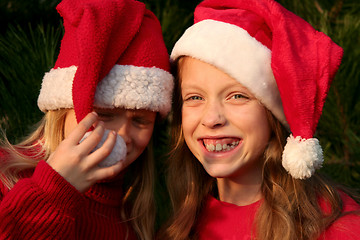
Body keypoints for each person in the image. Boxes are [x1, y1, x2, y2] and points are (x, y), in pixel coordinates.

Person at [158, 0, 360, 239]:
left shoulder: (339, 228)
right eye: (194, 97)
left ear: (272, 113)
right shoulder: (181, 225)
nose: (211, 119)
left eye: (237, 96)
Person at [0, 0, 173, 239]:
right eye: (104, 114)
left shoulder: (135, 215)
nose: (122, 135)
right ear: (62, 109)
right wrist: (53, 191)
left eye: (140, 121)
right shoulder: (6, 175)